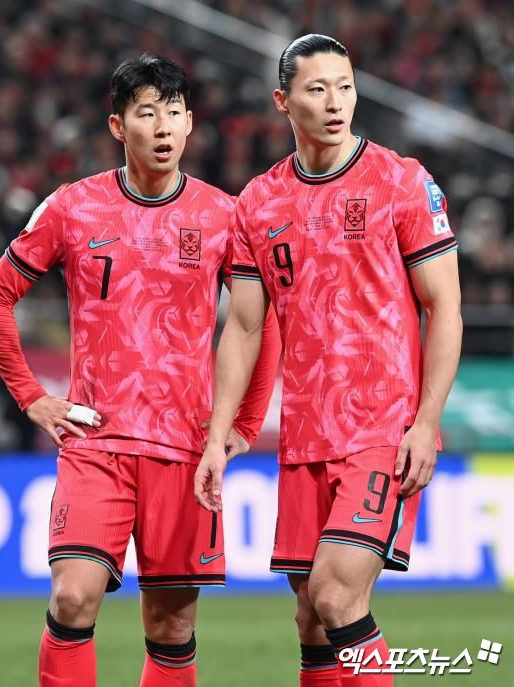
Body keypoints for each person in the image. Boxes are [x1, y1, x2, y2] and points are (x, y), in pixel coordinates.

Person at [0, 53, 280, 687]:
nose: (162, 126)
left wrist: (244, 425)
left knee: (172, 626)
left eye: (174, 112)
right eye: (146, 113)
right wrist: (32, 395)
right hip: (97, 443)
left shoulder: (224, 216)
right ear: (118, 126)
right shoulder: (72, 207)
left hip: (185, 450)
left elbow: (262, 324)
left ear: (190, 123)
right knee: (71, 598)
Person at [194, 34, 462, 687]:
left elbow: (445, 309)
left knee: (338, 595)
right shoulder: (259, 202)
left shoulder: (401, 181)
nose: (336, 101)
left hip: (383, 430)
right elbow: (245, 326)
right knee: (312, 618)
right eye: (318, 89)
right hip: (306, 436)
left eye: (345, 86)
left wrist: (426, 422)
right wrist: (218, 435)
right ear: (283, 101)